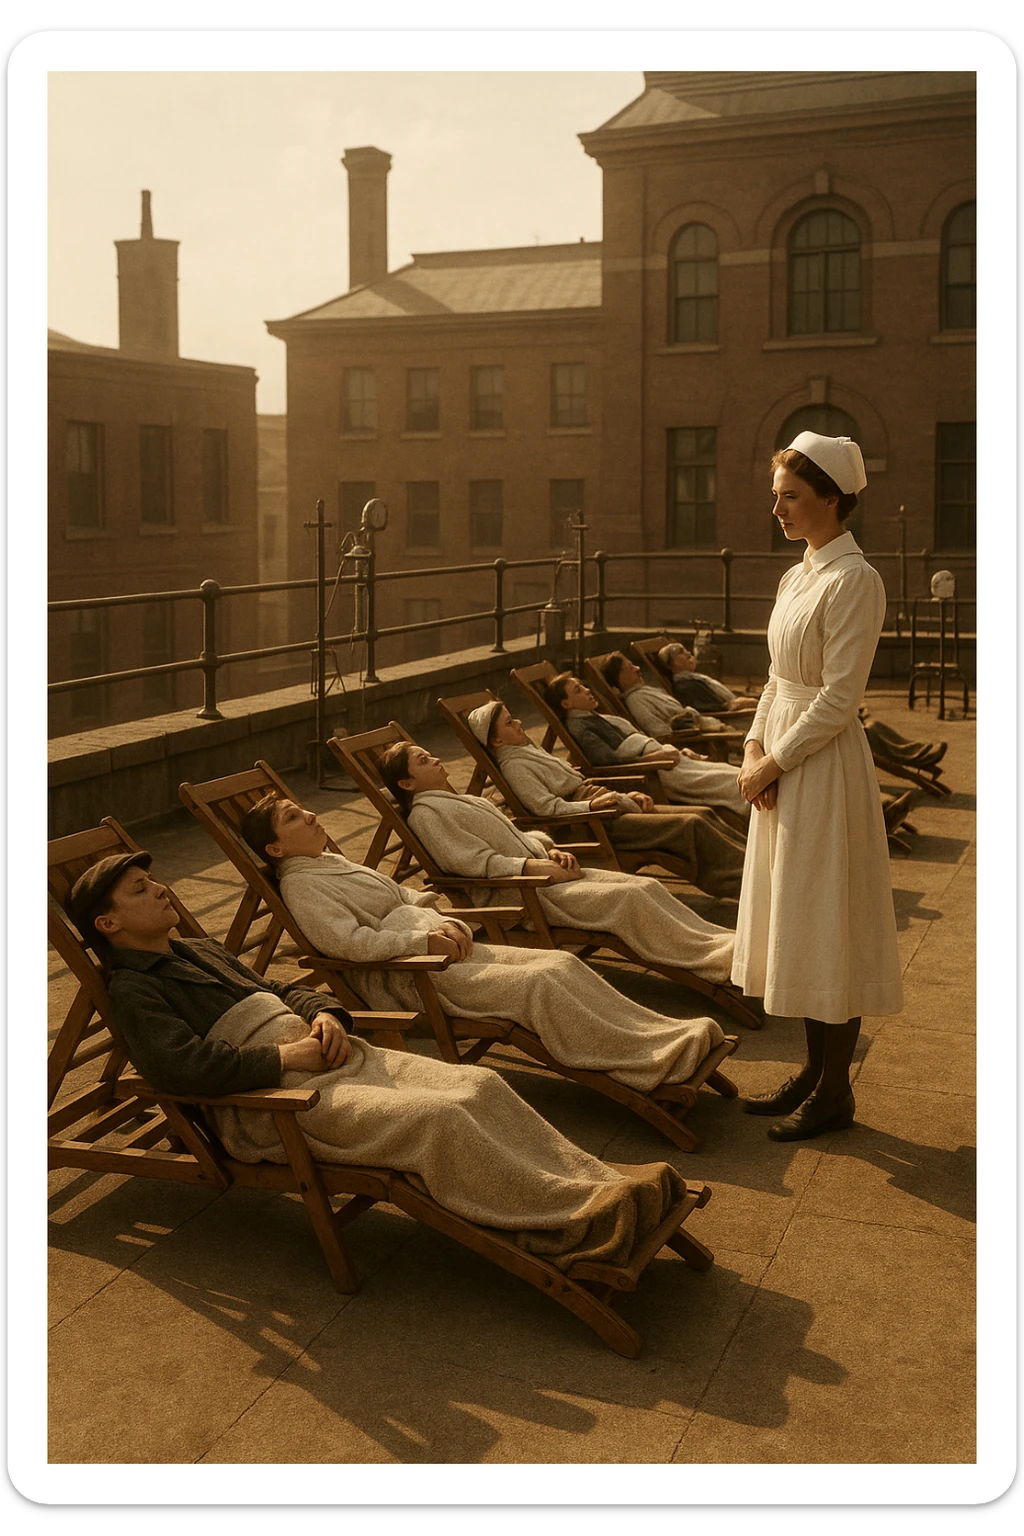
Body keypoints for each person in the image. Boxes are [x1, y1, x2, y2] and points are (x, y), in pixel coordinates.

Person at [66, 850, 695, 1273]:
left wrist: (324, 1015)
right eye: (142, 890)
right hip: (276, 1105)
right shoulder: (135, 986)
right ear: (109, 922)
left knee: (477, 1083)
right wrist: (284, 1054)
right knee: (439, 1121)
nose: (162, 890)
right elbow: (179, 1067)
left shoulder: (196, 949)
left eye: (153, 880)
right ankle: (572, 1224)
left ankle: (593, 1188)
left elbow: (287, 988)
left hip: (329, 1057)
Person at [239, 791, 726, 1097]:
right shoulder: (302, 885)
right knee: (540, 984)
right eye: (294, 816)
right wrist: (419, 937)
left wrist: (437, 913)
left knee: (558, 964)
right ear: (275, 849)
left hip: (445, 951)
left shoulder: (326, 864)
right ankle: (649, 1063)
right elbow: (347, 943)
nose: (310, 813)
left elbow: (402, 892)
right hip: (413, 976)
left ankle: (661, 1040)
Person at [732, 430, 903, 1141]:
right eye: (775, 496)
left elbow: (838, 698)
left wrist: (775, 763)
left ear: (832, 500)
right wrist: (751, 744)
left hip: (823, 768)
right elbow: (780, 678)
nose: (777, 509)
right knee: (797, 924)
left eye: (790, 497)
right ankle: (812, 1072)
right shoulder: (797, 574)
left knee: (829, 924)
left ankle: (836, 1092)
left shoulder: (853, 579)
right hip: (781, 762)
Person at [378, 739, 738, 984]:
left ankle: (725, 947)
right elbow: (473, 863)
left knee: (644, 885)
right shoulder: (426, 816)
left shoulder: (456, 800)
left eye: (429, 754)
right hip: (521, 894)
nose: (436, 759)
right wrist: (532, 868)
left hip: (544, 873)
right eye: (423, 761)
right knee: (629, 898)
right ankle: (714, 962)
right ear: (407, 784)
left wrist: (547, 849)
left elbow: (518, 837)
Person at [476, 698, 748, 899]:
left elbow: (579, 784)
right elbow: (545, 808)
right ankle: (742, 882)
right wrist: (590, 805)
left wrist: (623, 795)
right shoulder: (515, 766)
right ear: (497, 742)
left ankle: (752, 863)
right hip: (590, 824)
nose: (519, 723)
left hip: (604, 808)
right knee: (687, 826)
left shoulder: (525, 752)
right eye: (510, 723)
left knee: (702, 813)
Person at [543, 671, 751, 827]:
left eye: (583, 686)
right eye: (578, 690)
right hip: (655, 772)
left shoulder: (593, 718)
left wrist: (675, 752)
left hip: (666, 762)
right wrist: (655, 757)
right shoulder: (580, 726)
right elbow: (608, 760)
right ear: (566, 703)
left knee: (733, 772)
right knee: (733, 782)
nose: (587, 690)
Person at [600, 651, 729, 739]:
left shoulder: (645, 691)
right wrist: (686, 723)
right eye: (630, 668)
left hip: (704, 727)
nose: (638, 668)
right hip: (694, 739)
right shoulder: (636, 700)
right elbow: (658, 732)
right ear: (620, 678)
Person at [657, 642, 760, 713]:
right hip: (730, 718)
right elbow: (717, 708)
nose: (688, 653)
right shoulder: (685, 685)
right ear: (671, 664)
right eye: (680, 652)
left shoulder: (691, 679)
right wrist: (741, 703)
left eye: (686, 650)